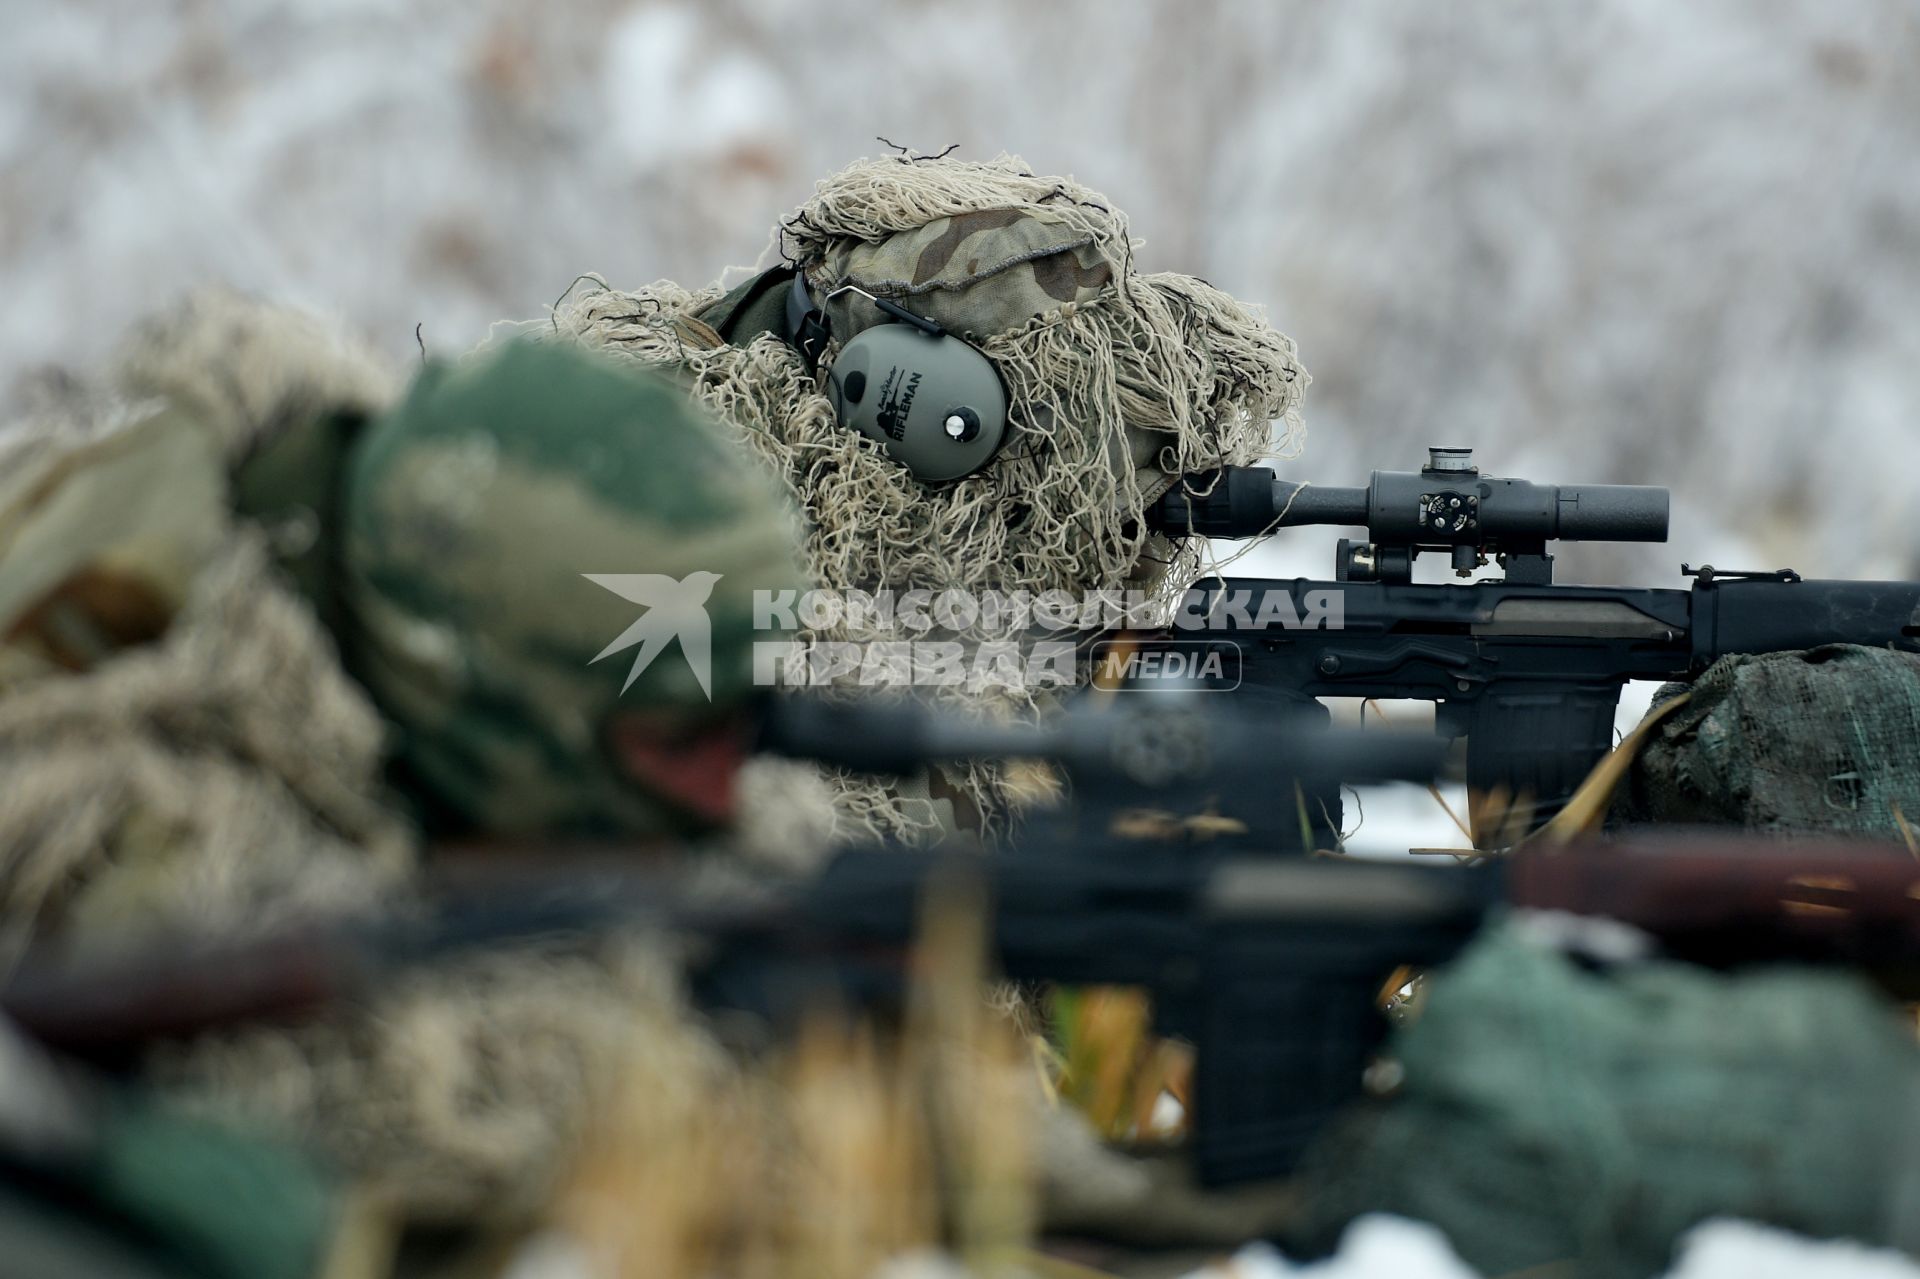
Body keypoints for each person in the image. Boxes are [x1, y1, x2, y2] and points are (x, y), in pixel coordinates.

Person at [0, 290, 825, 1230]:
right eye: (678, 739)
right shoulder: (110, 771)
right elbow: (400, 1096)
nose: (727, 798)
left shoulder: (427, 542)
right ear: (473, 702)